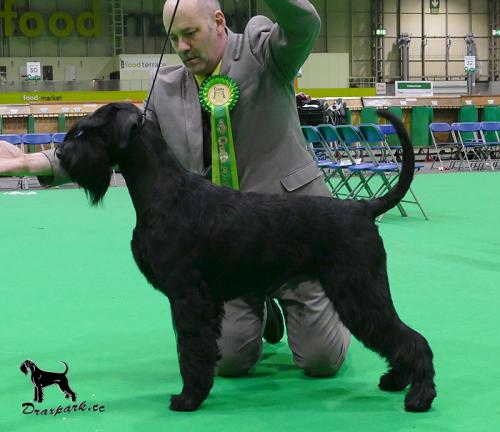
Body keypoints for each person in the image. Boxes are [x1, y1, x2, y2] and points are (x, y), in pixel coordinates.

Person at [0, 0, 350, 378]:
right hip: (227, 247)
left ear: (218, 22)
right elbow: (112, 144)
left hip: (293, 234)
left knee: (321, 361)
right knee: (229, 362)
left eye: (190, 34)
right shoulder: (165, 89)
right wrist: (31, 162)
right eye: (174, 38)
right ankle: (262, 306)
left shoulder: (262, 49)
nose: (181, 47)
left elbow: (303, 24)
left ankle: (321, 303)